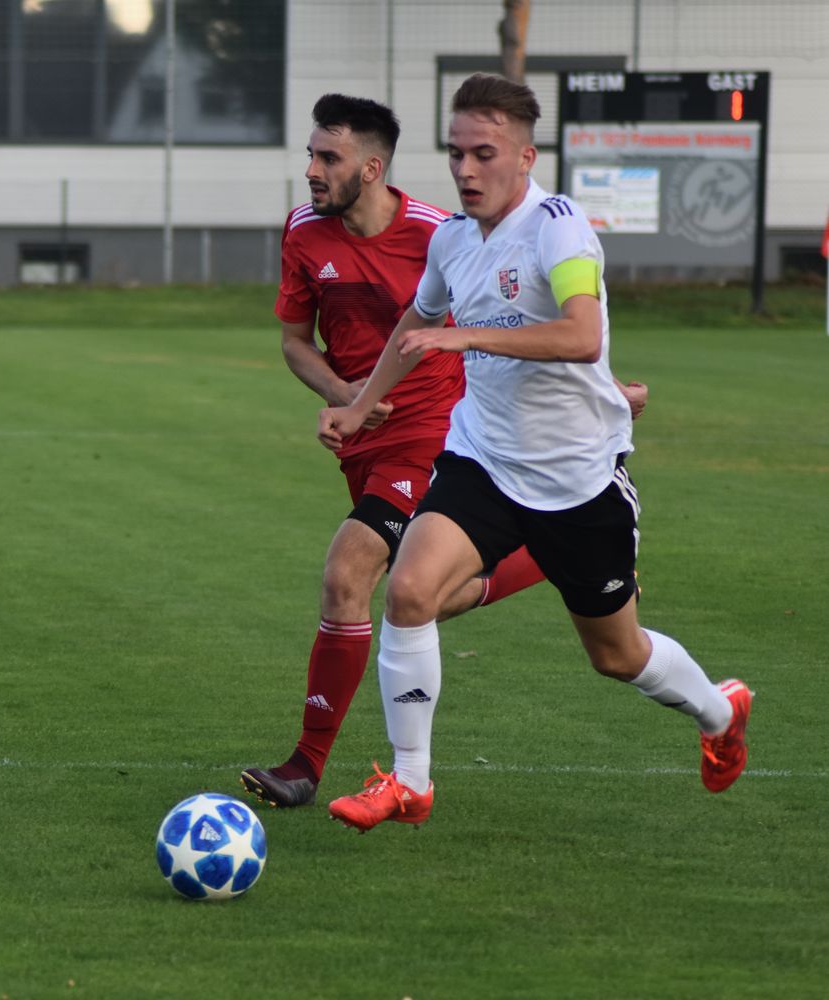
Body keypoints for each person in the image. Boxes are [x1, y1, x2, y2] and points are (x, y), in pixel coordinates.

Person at [318, 74, 751, 833]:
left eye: (483, 154)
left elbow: (580, 334)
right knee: (409, 591)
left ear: (525, 157)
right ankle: (410, 781)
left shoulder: (559, 228)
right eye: (456, 153)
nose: (465, 169)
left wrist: (465, 336)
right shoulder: (453, 239)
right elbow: (416, 325)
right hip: (483, 458)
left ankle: (720, 713)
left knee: (617, 656)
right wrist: (358, 408)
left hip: (578, 479)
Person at [240, 93, 599, 810]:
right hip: (363, 445)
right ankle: (544, 556)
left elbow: (517, 320)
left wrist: (604, 384)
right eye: (311, 154)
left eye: (329, 157)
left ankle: (308, 765)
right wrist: (346, 396)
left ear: (372, 169)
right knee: (420, 600)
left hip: (437, 435)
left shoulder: (440, 233)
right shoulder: (304, 232)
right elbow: (293, 343)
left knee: (348, 572)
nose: (311, 170)